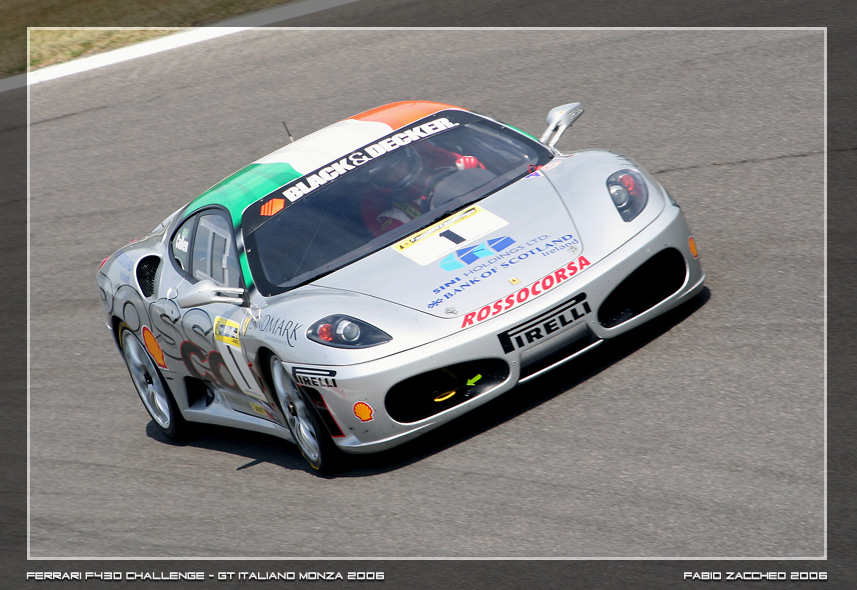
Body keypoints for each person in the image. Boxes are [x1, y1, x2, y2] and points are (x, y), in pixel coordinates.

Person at [361, 143, 485, 236]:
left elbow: (489, 189)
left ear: (409, 161)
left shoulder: (451, 172)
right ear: (381, 181)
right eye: (389, 174)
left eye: (400, 165)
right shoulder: (394, 219)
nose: (398, 174)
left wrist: (474, 172)